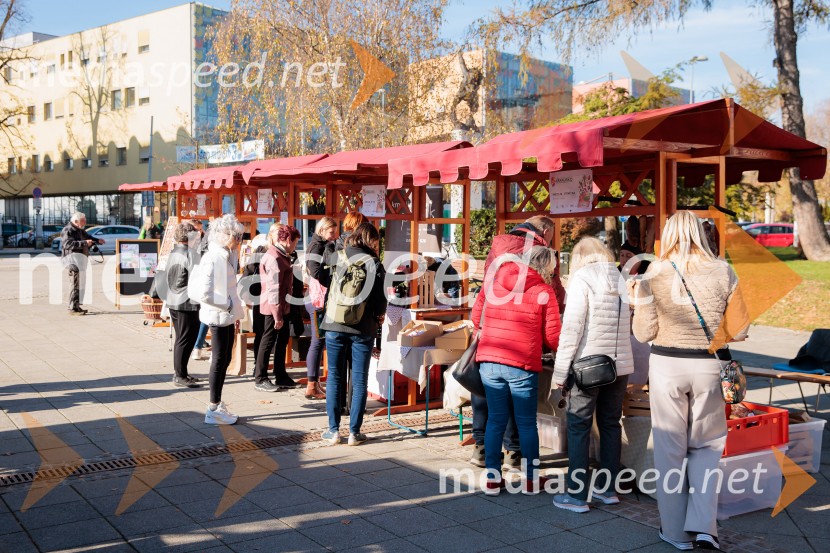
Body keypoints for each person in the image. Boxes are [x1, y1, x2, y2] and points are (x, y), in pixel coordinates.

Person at [631, 211, 748, 552]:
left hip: (667, 364)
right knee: (707, 449)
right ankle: (705, 529)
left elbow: (644, 332)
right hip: (709, 367)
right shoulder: (723, 270)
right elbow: (739, 329)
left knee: (669, 452)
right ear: (700, 233)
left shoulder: (655, 272)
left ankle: (675, 533)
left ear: (668, 236)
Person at [468, 215, 566, 469]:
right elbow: (553, 335)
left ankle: (491, 474)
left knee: (495, 419)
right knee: (525, 421)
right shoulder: (544, 291)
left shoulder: (496, 273)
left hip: (489, 356)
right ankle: (526, 471)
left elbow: (476, 316)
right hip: (522, 361)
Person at [551, 237, 634, 513]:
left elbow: (572, 329)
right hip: (619, 366)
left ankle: (576, 495)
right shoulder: (620, 277)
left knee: (578, 427)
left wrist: (560, 373)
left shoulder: (582, 279)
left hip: (589, 367)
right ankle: (608, 489)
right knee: (611, 425)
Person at [320, 222, 387, 446]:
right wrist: (378, 316)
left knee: (334, 377)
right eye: (376, 243)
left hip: (334, 324)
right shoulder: (375, 263)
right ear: (371, 241)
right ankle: (354, 432)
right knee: (359, 380)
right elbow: (380, 300)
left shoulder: (337, 256)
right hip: (363, 328)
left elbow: (322, 277)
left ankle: (332, 431)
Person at [189, 214, 245, 425]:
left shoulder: (225, 254)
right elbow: (206, 292)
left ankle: (217, 404)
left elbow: (228, 285)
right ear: (224, 235)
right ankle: (213, 407)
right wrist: (228, 305)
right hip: (219, 314)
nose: (238, 240)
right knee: (219, 360)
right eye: (235, 236)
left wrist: (234, 310)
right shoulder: (214, 256)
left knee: (223, 361)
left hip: (226, 314)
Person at [325, 212, 369, 414]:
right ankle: (353, 413)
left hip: (335, 315)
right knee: (357, 373)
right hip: (359, 321)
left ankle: (335, 420)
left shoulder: (336, 249)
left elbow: (325, 274)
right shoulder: (368, 255)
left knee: (335, 373)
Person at [255, 224, 301, 392]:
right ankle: (260, 377)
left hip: (282, 305)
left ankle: (280, 374)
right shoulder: (274, 257)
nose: (296, 246)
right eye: (295, 242)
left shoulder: (281, 254)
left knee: (281, 340)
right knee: (268, 341)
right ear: (288, 239)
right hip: (273, 306)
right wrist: (277, 315)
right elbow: (273, 288)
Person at [304, 217, 339, 400]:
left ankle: (314, 383)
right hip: (318, 298)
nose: (335, 235)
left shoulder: (320, 245)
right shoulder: (317, 246)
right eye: (332, 232)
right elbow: (315, 271)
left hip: (318, 297)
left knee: (318, 341)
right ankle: (311, 385)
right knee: (317, 341)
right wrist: (332, 274)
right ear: (323, 230)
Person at [165, 222, 202, 388]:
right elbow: (197, 278)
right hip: (186, 301)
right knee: (185, 338)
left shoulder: (173, 252)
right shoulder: (191, 254)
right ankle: (180, 374)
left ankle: (182, 372)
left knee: (182, 338)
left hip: (174, 299)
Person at [60, 212, 105, 315]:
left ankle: (77, 306)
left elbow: (88, 236)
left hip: (81, 261)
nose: (84, 224)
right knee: (75, 285)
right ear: (76, 221)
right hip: (73, 261)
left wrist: (97, 240)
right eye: (83, 222)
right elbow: (67, 244)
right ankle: (72, 308)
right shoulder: (68, 230)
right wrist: (84, 243)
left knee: (81, 284)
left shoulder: (79, 229)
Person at [240, 232, 269, 368]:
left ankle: (261, 367)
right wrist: (247, 297)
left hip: (265, 299)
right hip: (260, 299)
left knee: (263, 335)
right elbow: (246, 277)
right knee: (262, 334)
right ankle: (259, 368)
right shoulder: (260, 254)